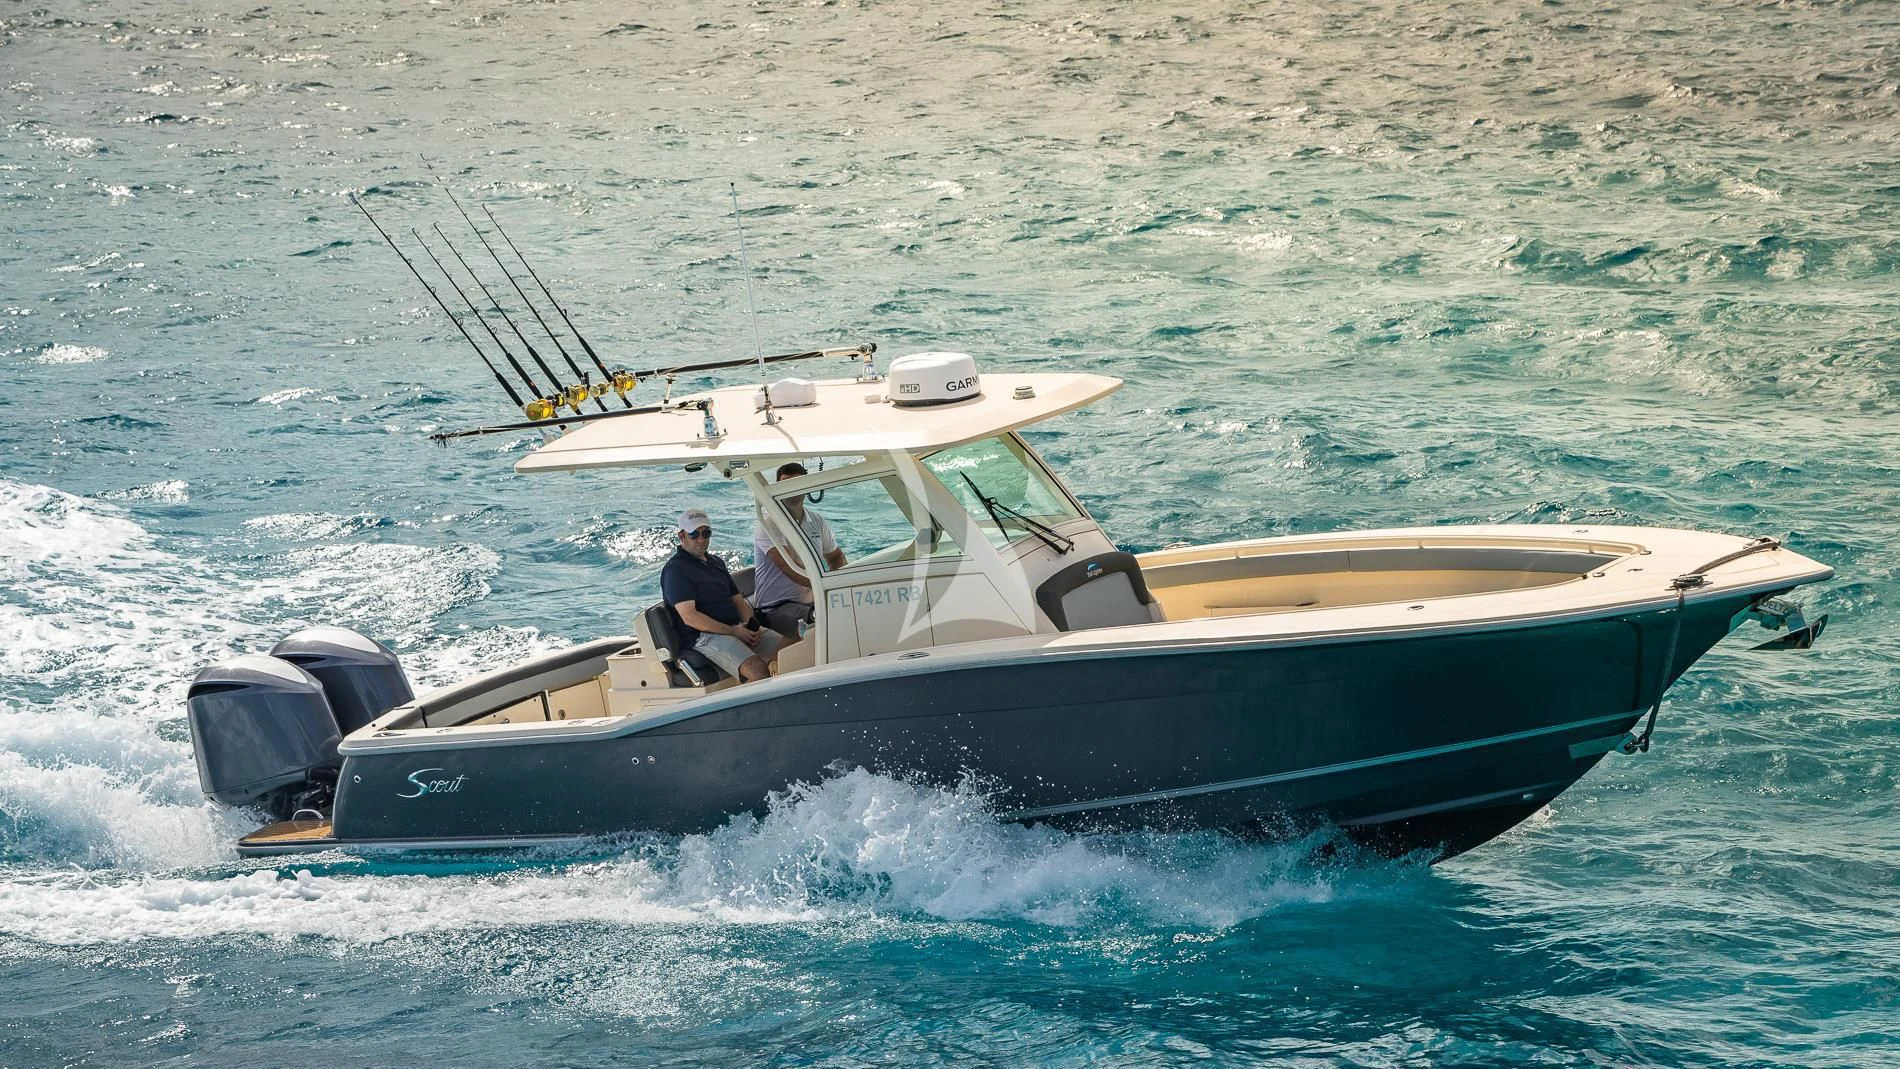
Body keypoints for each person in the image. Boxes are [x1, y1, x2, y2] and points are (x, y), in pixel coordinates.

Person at [660, 508, 782, 683]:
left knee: (792, 651)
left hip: (737, 628)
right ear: (682, 536)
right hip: (704, 636)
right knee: (758, 669)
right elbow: (690, 617)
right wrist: (734, 632)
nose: (701, 539)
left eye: (706, 533)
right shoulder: (675, 570)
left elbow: (737, 600)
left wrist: (750, 626)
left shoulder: (716, 563)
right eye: (694, 534)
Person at [752, 462, 847, 641]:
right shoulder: (769, 524)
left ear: (805, 486)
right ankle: (776, 666)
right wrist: (825, 587)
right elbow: (789, 567)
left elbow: (836, 557)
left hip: (812, 600)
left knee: (847, 610)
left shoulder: (816, 521)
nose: (791, 490)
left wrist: (838, 587)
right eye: (785, 485)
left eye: (796, 483)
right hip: (776, 607)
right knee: (819, 622)